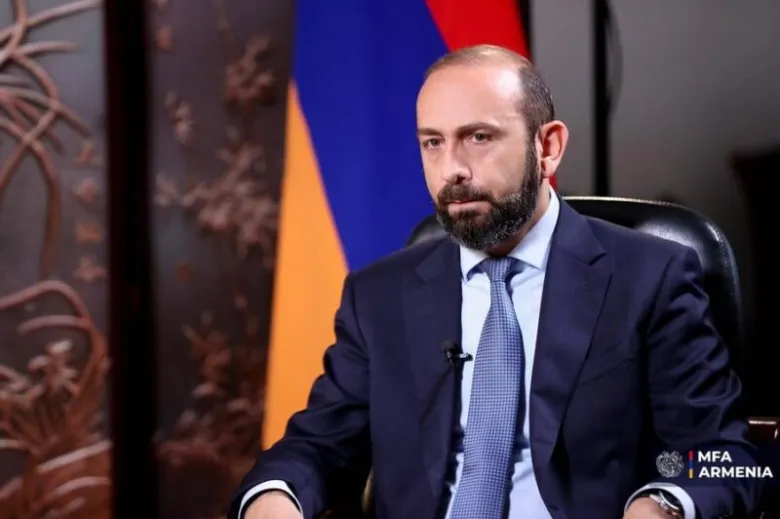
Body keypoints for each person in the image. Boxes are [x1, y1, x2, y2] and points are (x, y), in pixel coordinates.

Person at [229, 44, 762, 519]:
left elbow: (723, 454)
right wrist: (275, 500)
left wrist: (662, 504)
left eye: (478, 137)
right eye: (432, 143)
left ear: (548, 147)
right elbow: (316, 447)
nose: (452, 169)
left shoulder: (651, 277)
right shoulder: (378, 296)